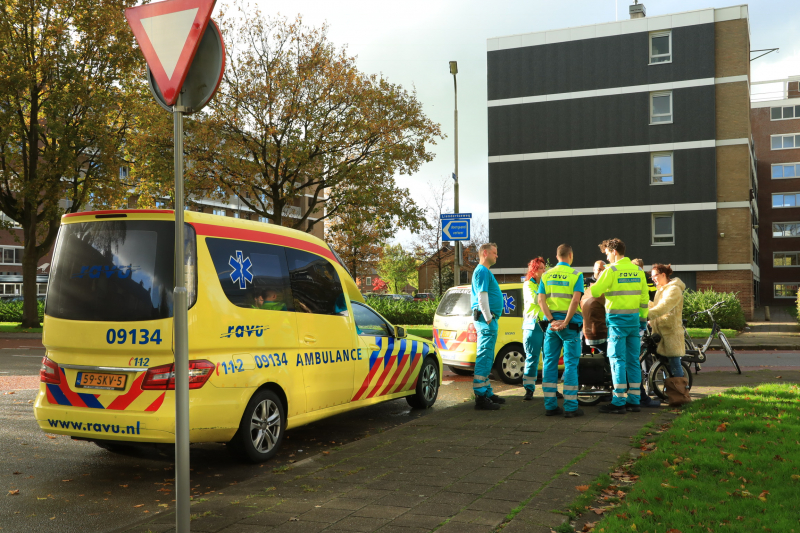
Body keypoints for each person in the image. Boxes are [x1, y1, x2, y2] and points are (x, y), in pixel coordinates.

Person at [590, 238, 649, 414]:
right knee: (633, 361)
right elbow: (644, 298)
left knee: (617, 360)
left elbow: (594, 291)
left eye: (607, 253)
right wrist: (643, 320)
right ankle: (634, 400)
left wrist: (602, 282)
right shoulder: (638, 271)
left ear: (614, 251)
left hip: (617, 322)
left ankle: (618, 401)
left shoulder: (611, 270)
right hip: (634, 322)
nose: (607, 258)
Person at [538, 244, 584, 418]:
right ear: (570, 256)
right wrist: (565, 322)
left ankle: (550, 406)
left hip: (551, 326)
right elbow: (575, 301)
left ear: (557, 257)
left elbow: (541, 301)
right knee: (571, 364)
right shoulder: (576, 275)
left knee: (549, 363)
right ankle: (571, 407)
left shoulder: (546, 275)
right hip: (569, 325)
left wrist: (551, 321)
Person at [648, 263, 691, 407]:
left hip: (671, 332)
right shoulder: (661, 289)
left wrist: (645, 314)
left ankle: (681, 396)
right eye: (652, 276)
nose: (653, 279)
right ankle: (670, 394)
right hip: (661, 333)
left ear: (663, 275)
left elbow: (664, 307)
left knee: (674, 363)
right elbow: (656, 307)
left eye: (655, 276)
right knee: (666, 364)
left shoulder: (673, 290)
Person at [470, 243, 506, 411]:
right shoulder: (482, 271)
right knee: (484, 357)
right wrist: (489, 318)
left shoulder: (483, 271)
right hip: (486, 321)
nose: (497, 255)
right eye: (494, 252)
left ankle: (486, 391)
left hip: (487, 320)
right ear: (485, 253)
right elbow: (482, 296)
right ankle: (480, 396)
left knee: (487, 357)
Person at [629, 259, 661, 408]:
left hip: (632, 321)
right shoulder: (641, 278)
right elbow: (644, 300)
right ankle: (641, 394)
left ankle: (640, 392)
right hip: (636, 322)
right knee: (636, 359)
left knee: (637, 358)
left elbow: (647, 299)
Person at [521, 257, 546, 401]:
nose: (544, 270)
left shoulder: (544, 284)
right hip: (533, 325)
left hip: (545, 324)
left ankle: (551, 388)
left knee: (549, 358)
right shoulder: (528, 285)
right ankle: (529, 390)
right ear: (534, 271)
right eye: (541, 268)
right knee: (532, 357)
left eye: (544, 268)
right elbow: (536, 300)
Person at [581, 261, 608, 355]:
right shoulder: (585, 282)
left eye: (603, 270)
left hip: (601, 323)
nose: (601, 272)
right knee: (585, 352)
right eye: (599, 269)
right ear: (593, 269)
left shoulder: (606, 283)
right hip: (585, 322)